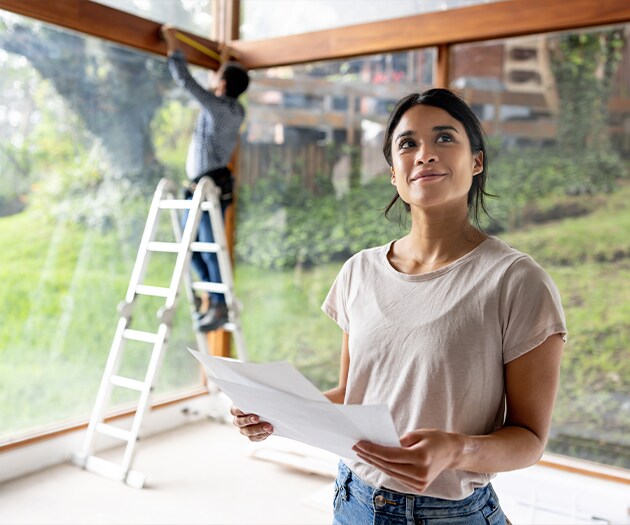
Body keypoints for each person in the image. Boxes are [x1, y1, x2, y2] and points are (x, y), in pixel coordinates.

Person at [231, 89, 566, 524]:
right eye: (408, 144)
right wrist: (276, 410)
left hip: (451, 514)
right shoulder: (359, 271)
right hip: (353, 500)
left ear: (477, 161)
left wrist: (457, 449)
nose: (424, 154)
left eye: (444, 138)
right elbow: (355, 396)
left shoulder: (517, 281)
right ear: (394, 173)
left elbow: (530, 439)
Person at [162, 25, 249, 332]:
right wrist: (224, 60)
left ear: (223, 83)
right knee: (193, 249)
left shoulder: (218, 107)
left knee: (209, 248)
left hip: (209, 187)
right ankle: (214, 301)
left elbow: (186, 82)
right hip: (203, 186)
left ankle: (218, 303)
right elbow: (216, 89)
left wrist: (173, 44)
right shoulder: (235, 109)